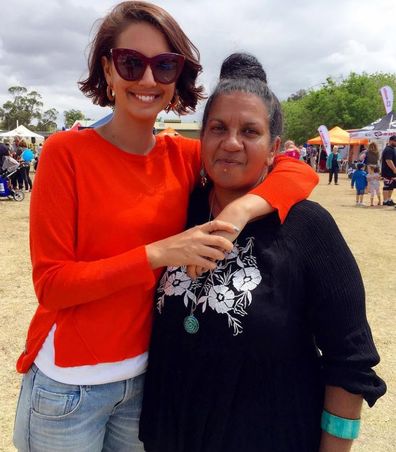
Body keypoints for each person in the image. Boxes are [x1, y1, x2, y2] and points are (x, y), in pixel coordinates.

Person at [12, 3, 318, 452]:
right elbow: (53, 286)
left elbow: (296, 173)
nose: (149, 80)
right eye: (131, 63)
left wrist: (238, 212)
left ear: (178, 76)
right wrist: (159, 253)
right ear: (108, 70)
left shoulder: (184, 158)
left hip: (145, 383)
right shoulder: (65, 153)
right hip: (70, 388)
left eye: (165, 65)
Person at [139, 52, 386, 452]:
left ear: (273, 149)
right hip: (171, 437)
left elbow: (349, 360)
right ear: (202, 139)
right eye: (218, 128)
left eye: (249, 131)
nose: (231, 142)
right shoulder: (183, 210)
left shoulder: (308, 228)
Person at [380, 135, 396, 206]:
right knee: (387, 185)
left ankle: (389, 199)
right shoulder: (388, 149)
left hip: (391, 171)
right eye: (395, 141)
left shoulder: (392, 149)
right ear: (390, 141)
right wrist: (394, 169)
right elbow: (388, 160)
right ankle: (385, 201)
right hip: (387, 171)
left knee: (391, 186)